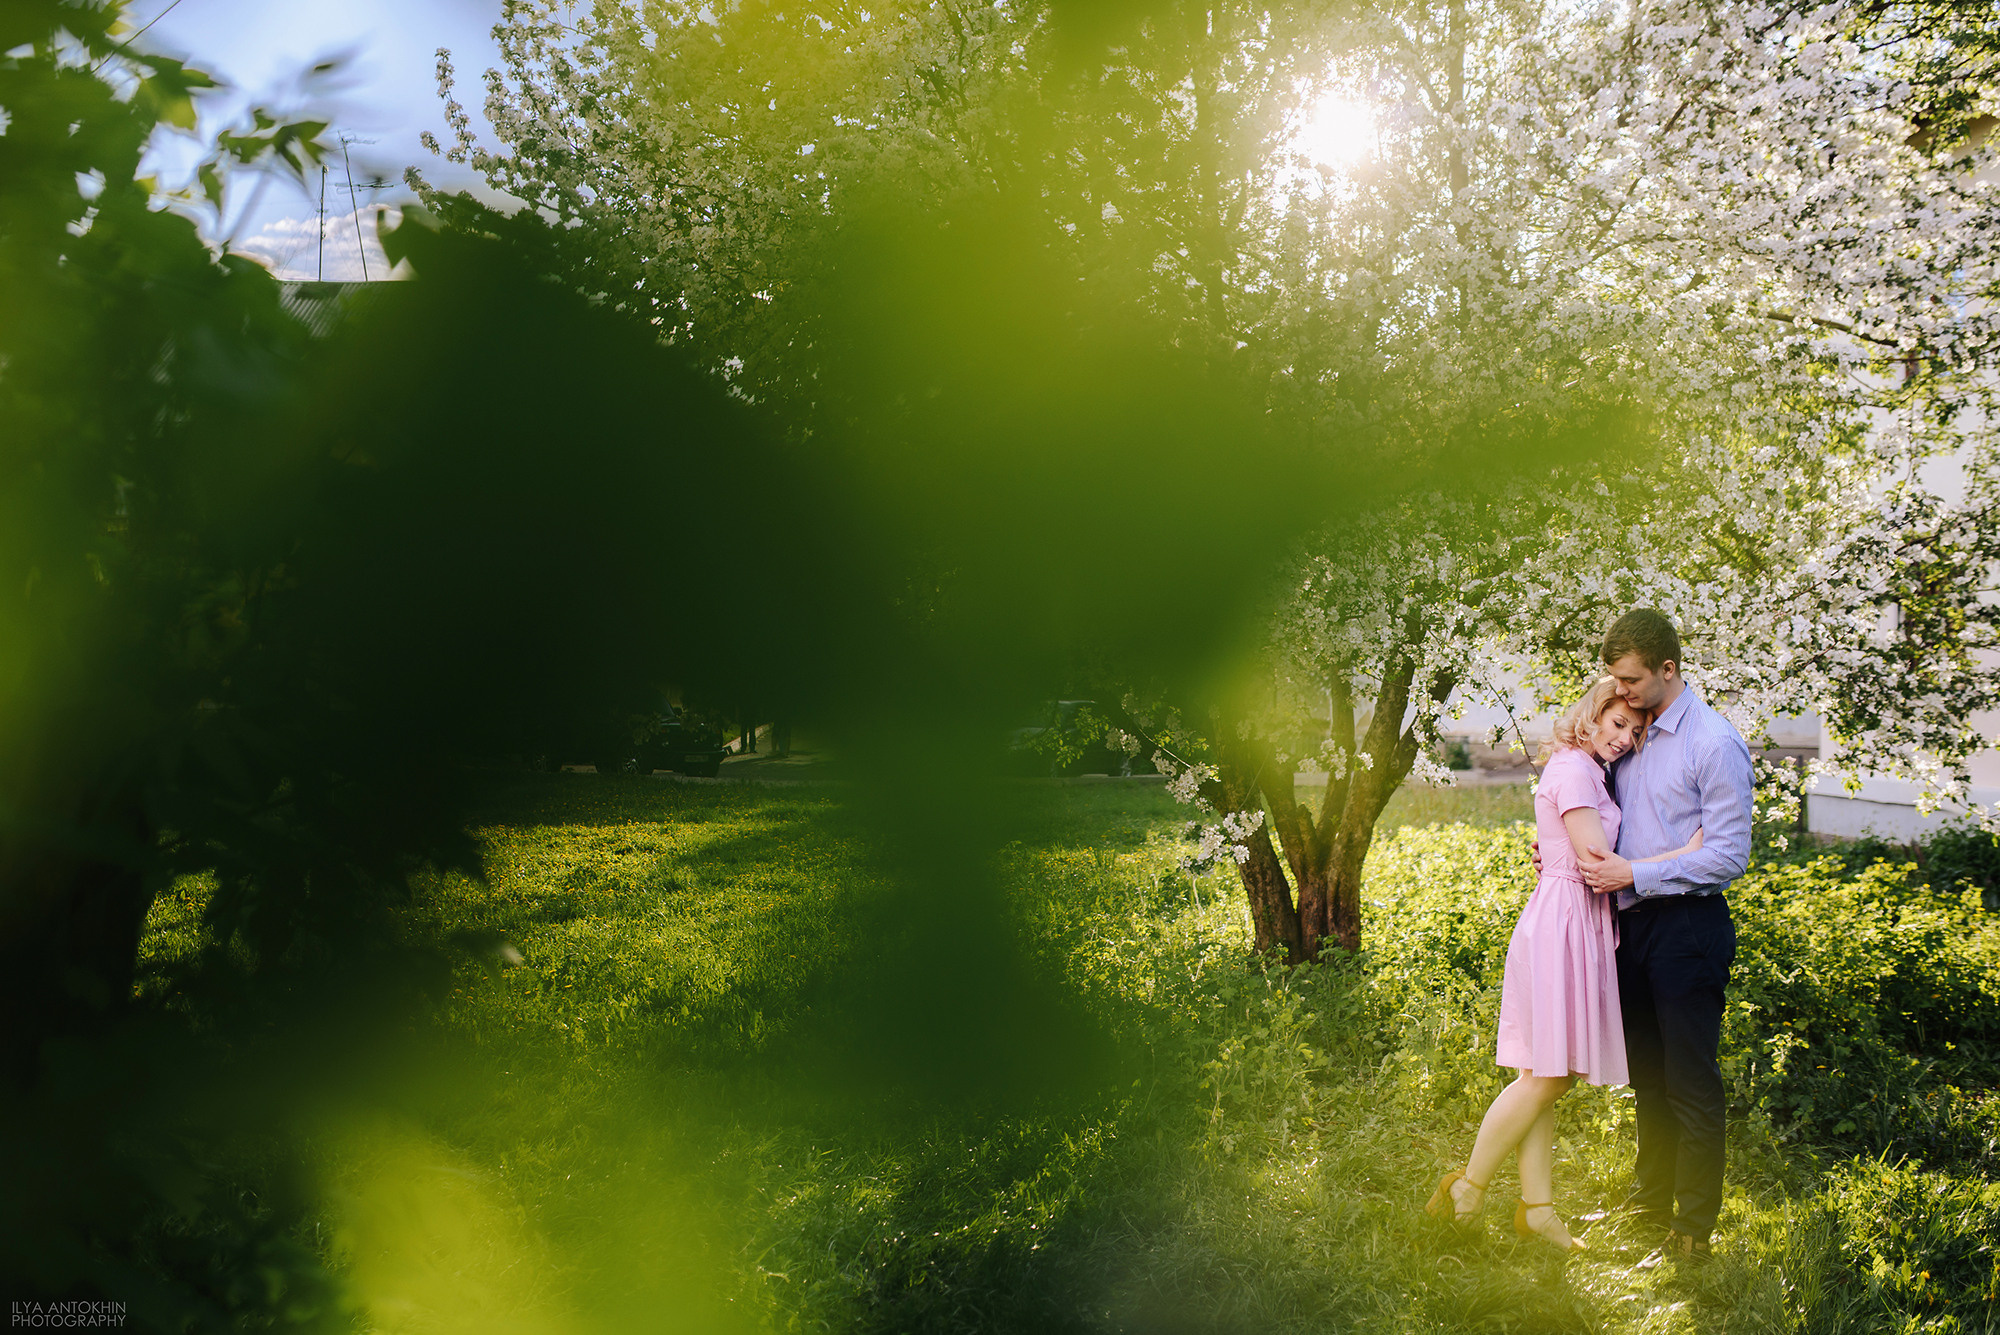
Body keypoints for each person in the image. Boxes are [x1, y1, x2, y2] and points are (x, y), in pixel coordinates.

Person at [1426, 676, 1702, 1252]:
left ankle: (1539, 1211)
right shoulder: (1576, 770)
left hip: (1575, 916)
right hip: (1565, 921)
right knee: (1550, 1076)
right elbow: (1597, 862)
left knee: (1544, 1072)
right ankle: (1468, 1188)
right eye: (1618, 723)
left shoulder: (1587, 770)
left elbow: (1576, 849)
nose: (1624, 737)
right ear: (1592, 715)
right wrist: (1688, 852)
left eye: (1635, 730)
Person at [1578, 608, 1753, 1266]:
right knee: (1648, 1079)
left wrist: (1637, 872)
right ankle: (1647, 1207)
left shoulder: (1713, 742)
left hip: (1688, 927)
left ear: (1668, 669)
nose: (1619, 691)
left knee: (1689, 1083)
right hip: (1631, 924)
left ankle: (1691, 1230)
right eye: (1615, 680)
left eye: (1630, 680)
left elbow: (1729, 854)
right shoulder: (1630, 734)